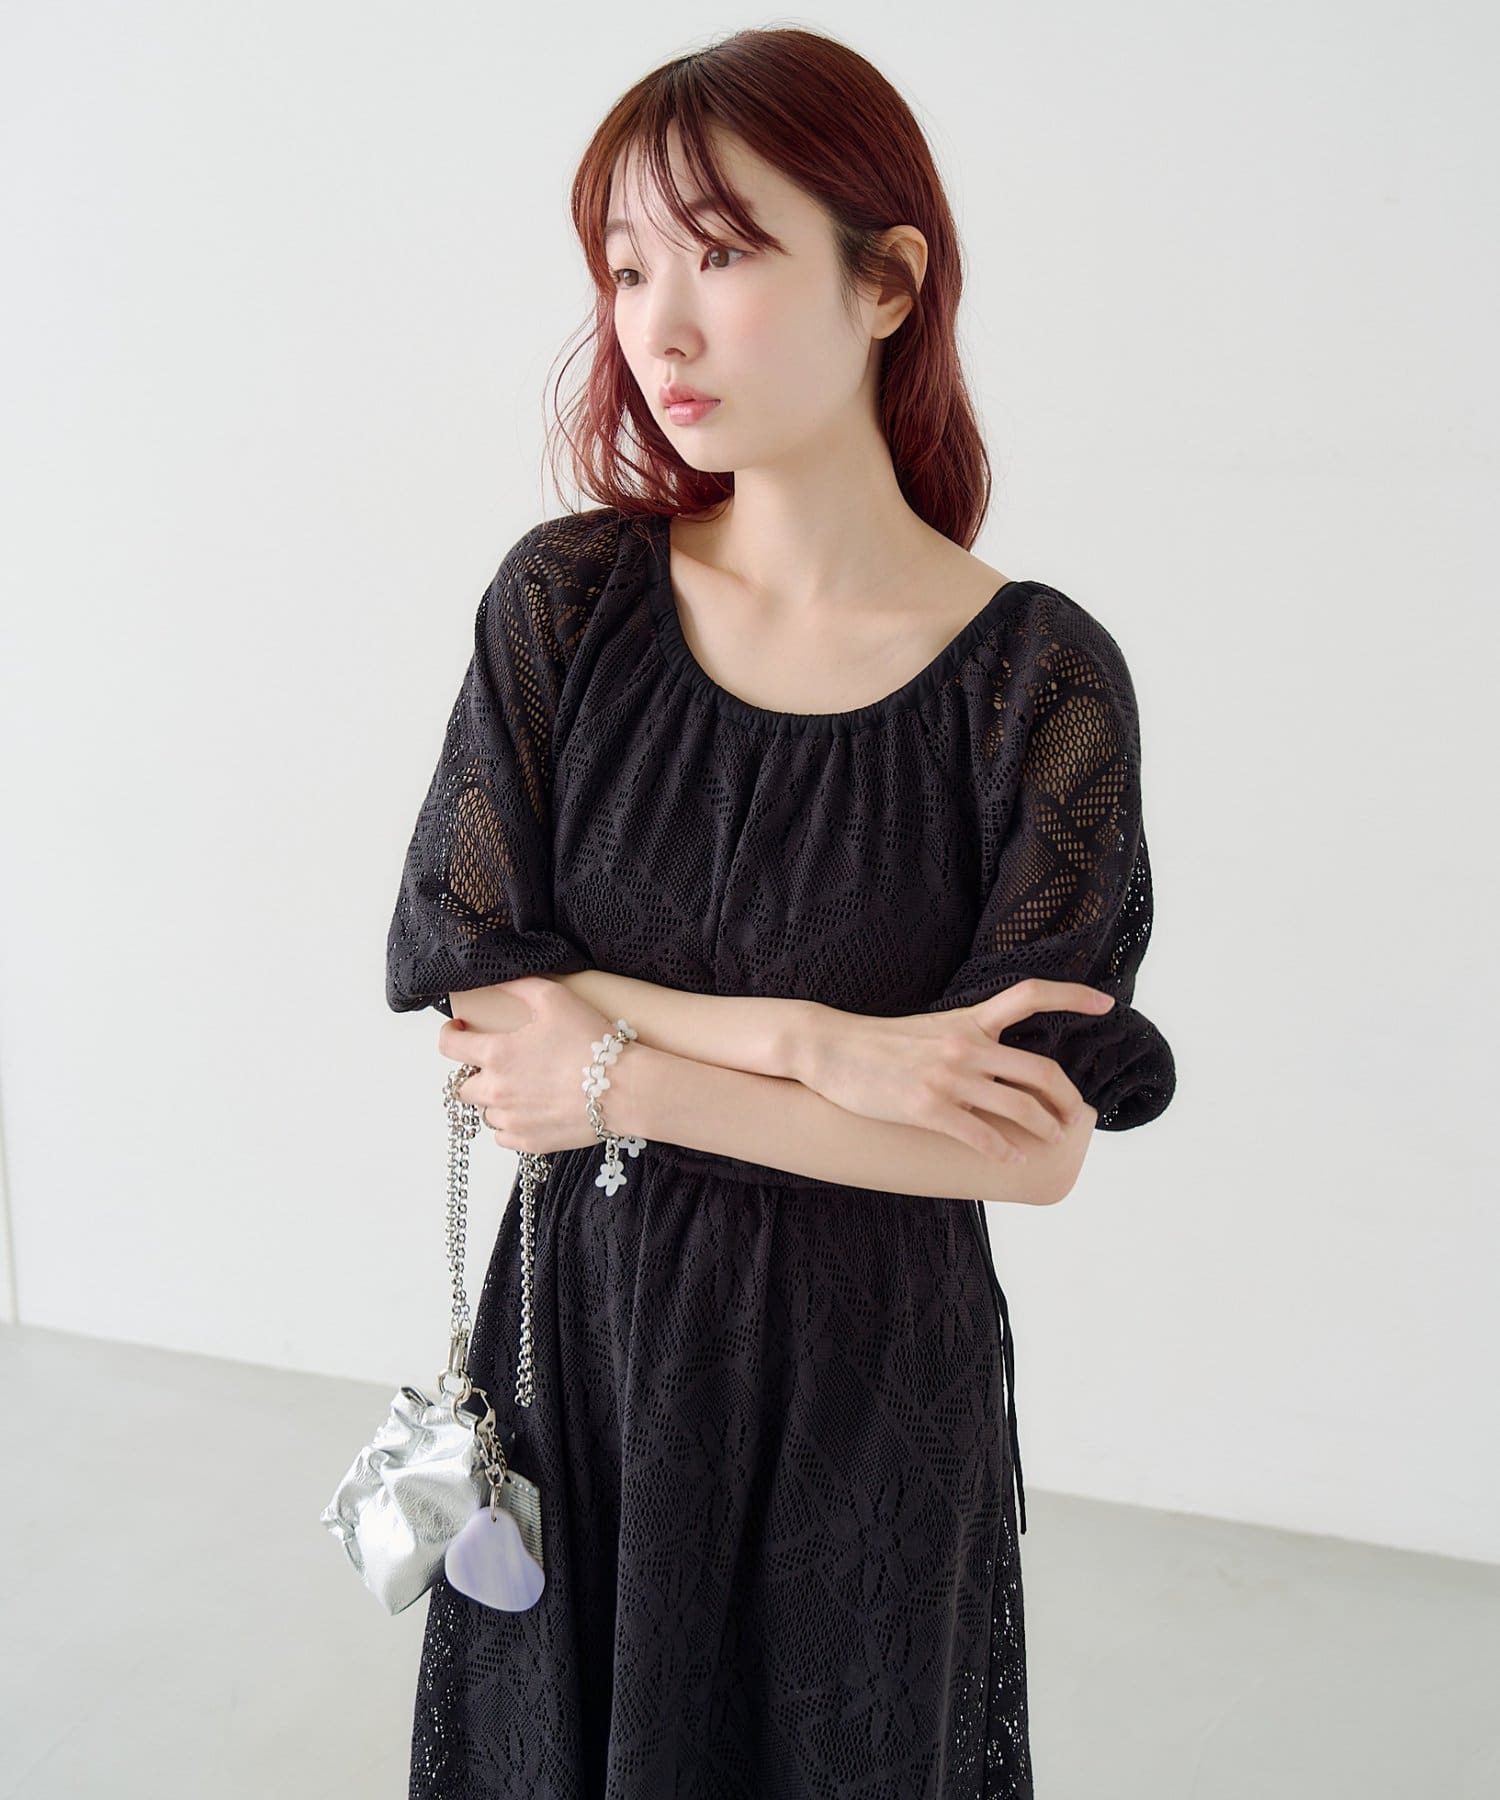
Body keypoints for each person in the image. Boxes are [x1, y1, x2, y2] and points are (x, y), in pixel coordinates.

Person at [386, 25, 1176, 1799]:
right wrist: (828, 1049)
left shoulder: (1037, 682)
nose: (657, 329)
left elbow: (1029, 1147)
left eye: (722, 258)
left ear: (887, 282)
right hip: (588, 1352)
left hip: (867, 1395)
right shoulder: (569, 604)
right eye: (626, 270)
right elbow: (480, 991)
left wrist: (629, 1073)